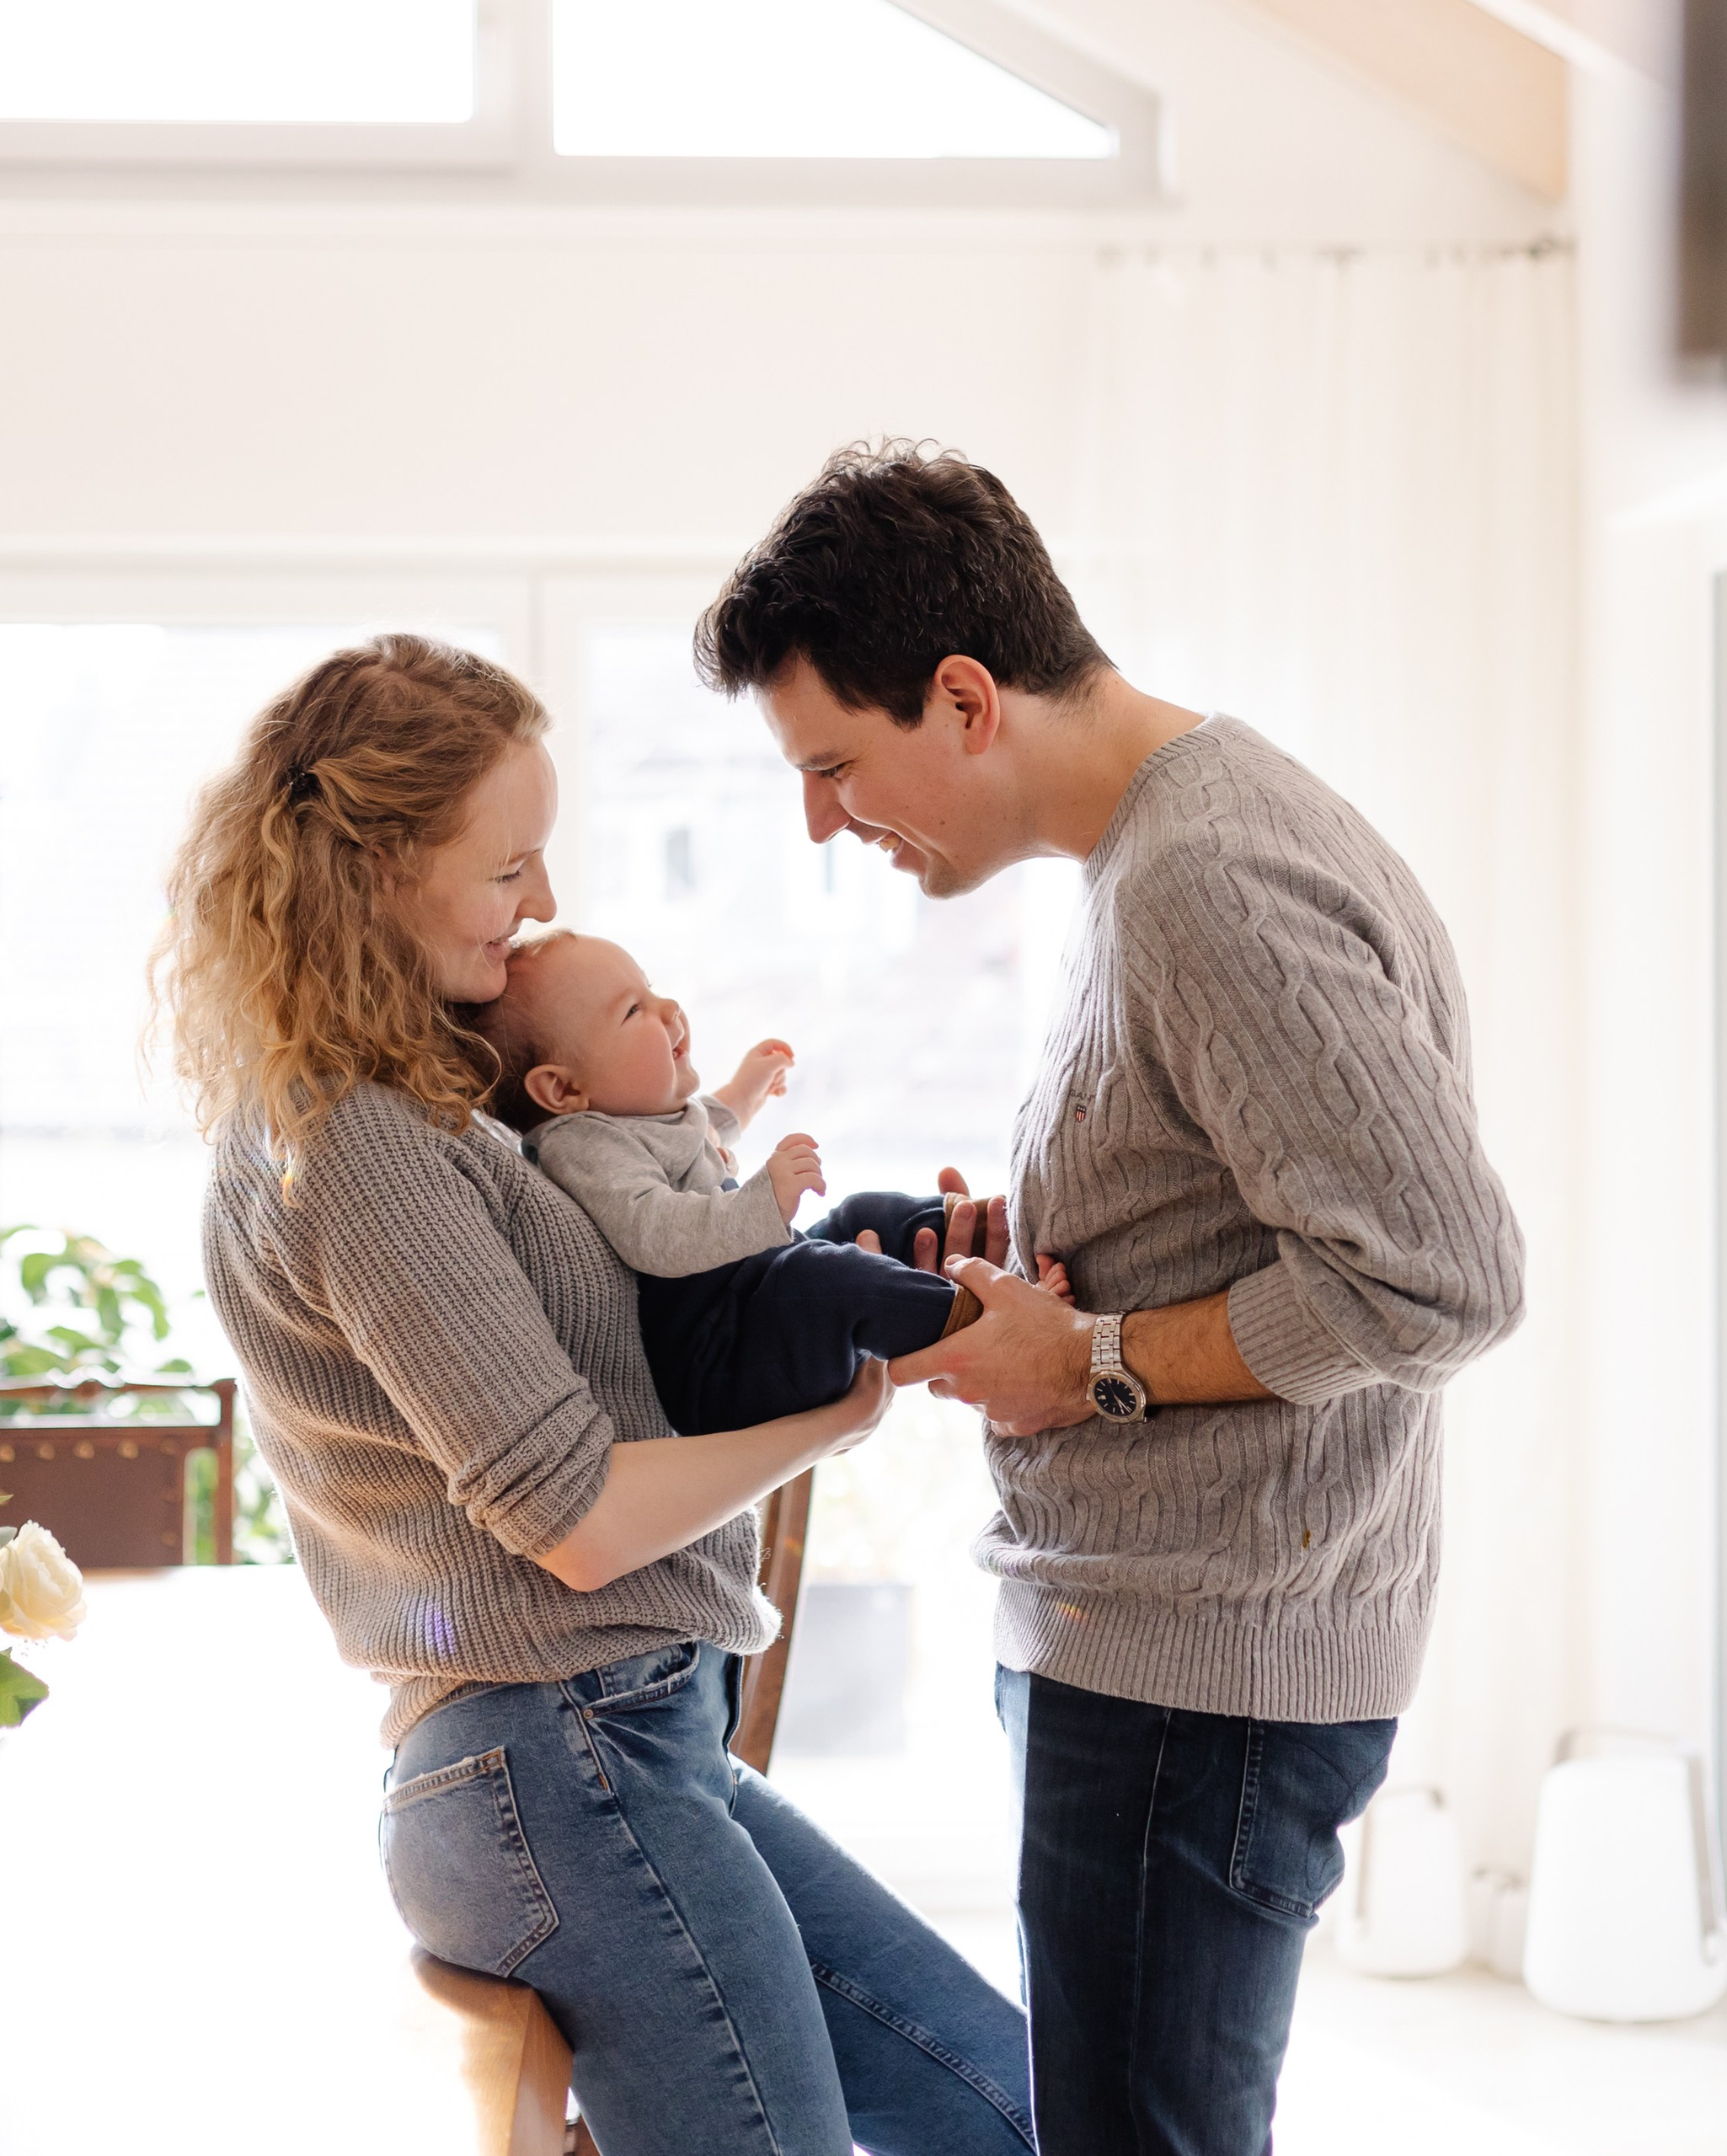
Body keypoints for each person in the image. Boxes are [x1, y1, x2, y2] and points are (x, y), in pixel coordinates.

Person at [697, 444, 1527, 2156]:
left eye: (836, 764)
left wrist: (1083, 1362)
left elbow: (1439, 1276)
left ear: (962, 695)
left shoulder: (1202, 879)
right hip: (1162, 1663)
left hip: (1188, 1685)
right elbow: (1252, 1186)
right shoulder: (1157, 856)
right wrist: (1059, 1240)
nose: (821, 820)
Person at [156, 634, 1035, 2156]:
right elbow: (572, 1518)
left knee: (1010, 2108)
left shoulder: (425, 1111)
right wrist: (838, 1420)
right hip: (563, 1755)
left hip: (614, 1748)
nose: (545, 905)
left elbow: (644, 1327)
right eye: (511, 868)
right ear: (373, 869)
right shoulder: (356, 1143)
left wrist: (843, 1265)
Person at [463, 927, 1006, 1435]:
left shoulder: (633, 1118)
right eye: (634, 1011)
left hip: (756, 1293)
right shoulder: (582, 1145)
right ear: (561, 1091)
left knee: (864, 1217)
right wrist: (762, 1201)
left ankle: (994, 1240)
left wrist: (748, 1087)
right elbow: (653, 1230)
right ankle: (992, 1332)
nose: (670, 1008)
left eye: (650, 990)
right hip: (721, 1357)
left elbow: (704, 1123)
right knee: (830, 1279)